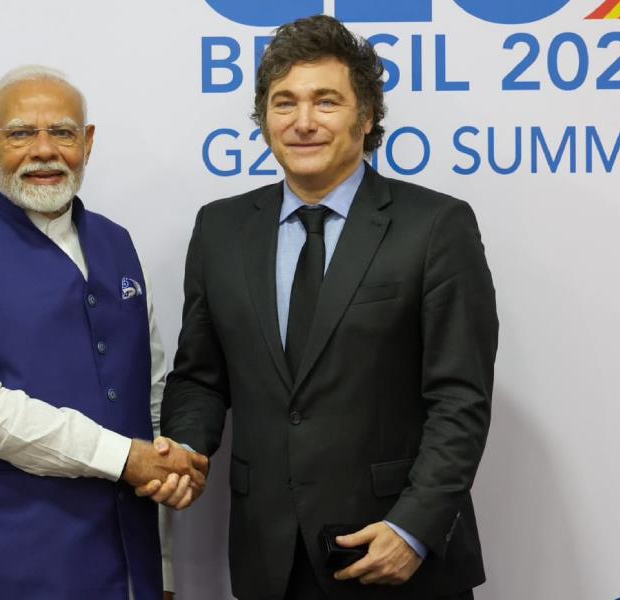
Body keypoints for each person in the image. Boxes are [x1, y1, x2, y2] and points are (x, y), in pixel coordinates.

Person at [152, 15, 499, 600]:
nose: (303, 122)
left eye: (326, 101)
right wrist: (186, 448)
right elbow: (200, 377)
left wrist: (413, 528)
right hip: (269, 559)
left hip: (393, 555)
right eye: (284, 103)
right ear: (264, 120)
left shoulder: (436, 225)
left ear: (365, 117)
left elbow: (460, 398)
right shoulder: (221, 228)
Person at [0, 65, 207, 599]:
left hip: (121, 565)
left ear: (86, 142)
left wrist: (164, 565)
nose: (43, 150)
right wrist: (123, 459)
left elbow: (149, 401)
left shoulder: (119, 244)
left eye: (62, 132)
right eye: (20, 133)